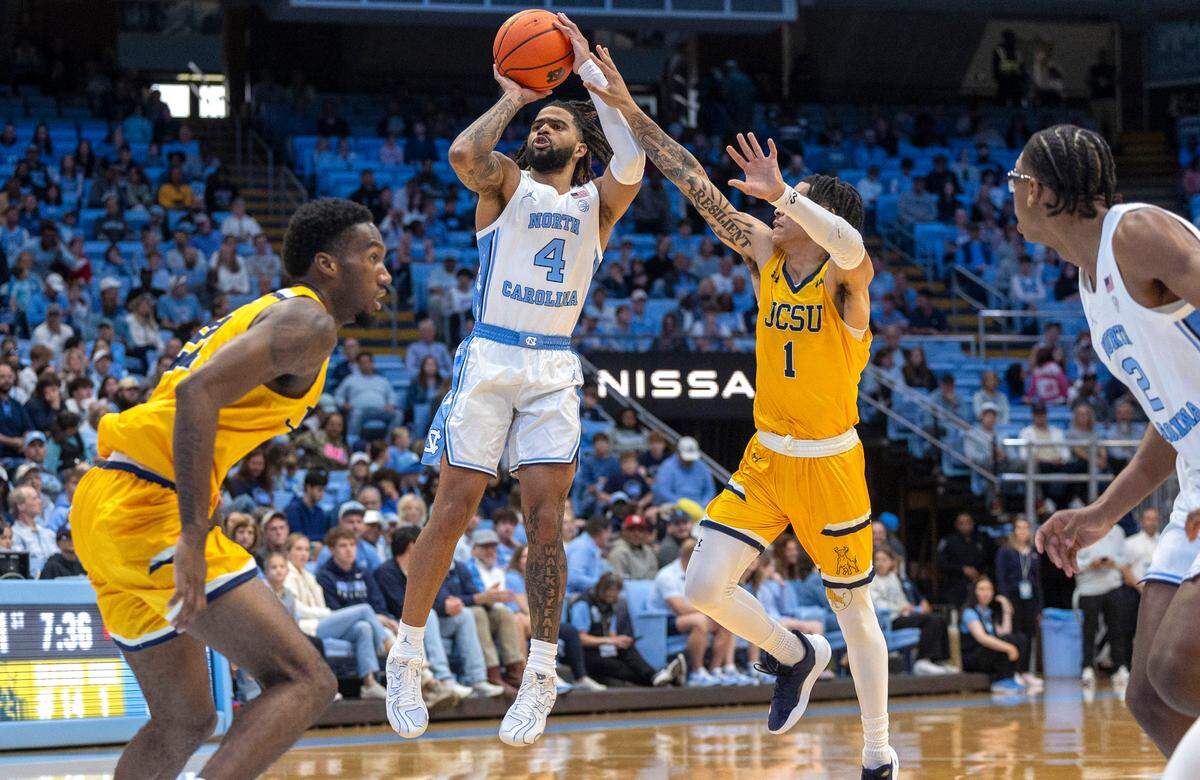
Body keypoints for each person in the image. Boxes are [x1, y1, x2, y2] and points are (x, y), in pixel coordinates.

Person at [585, 48, 896, 775]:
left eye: (795, 203)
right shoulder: (763, 256)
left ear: (817, 218)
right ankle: (795, 655)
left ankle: (878, 751)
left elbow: (852, 245)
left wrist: (789, 192)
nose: (774, 208)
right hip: (766, 459)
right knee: (701, 588)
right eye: (780, 202)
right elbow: (693, 183)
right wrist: (627, 108)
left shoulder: (847, 283)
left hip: (831, 466)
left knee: (856, 610)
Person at [66, 198, 390, 778]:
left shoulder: (274, 315)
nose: (385, 273)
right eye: (373, 257)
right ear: (328, 265)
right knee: (306, 680)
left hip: (104, 499)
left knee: (185, 719)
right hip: (149, 506)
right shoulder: (308, 322)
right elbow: (197, 395)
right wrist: (193, 533)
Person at [393, 17, 644, 746]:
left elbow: (632, 165)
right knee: (454, 506)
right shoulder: (505, 182)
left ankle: (541, 672)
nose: (543, 126)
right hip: (493, 353)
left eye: (555, 120)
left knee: (545, 525)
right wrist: (514, 94)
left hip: (553, 363)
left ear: (580, 144)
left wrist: (597, 86)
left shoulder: (597, 203)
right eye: (539, 120)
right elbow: (466, 152)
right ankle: (405, 657)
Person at [1015, 126, 1200, 774]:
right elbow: (1171, 421)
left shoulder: (1137, 234)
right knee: (1149, 695)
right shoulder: (1090, 283)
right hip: (1193, 471)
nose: (1012, 196)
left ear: (1035, 190)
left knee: (1179, 668)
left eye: (1015, 182)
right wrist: (1099, 514)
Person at [280, 534, 391, 701]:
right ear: (287, 552)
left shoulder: (308, 575)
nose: (303, 554)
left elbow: (320, 605)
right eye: (298, 549)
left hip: (321, 621)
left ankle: (369, 683)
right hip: (308, 627)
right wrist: (328, 613)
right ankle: (389, 646)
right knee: (365, 609)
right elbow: (298, 609)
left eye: (306, 549)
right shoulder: (288, 575)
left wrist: (326, 613)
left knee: (363, 628)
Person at [569, 571, 684, 687]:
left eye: (615, 592)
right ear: (600, 589)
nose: (612, 595)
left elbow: (611, 634)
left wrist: (619, 640)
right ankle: (662, 678)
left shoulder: (610, 606)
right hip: (586, 654)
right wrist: (611, 641)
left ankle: (659, 677)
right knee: (621, 668)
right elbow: (580, 638)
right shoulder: (583, 604)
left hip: (604, 649)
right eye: (609, 591)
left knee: (626, 647)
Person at [654, 539, 740, 686]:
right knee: (699, 621)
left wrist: (714, 610)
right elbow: (680, 609)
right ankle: (696, 672)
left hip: (693, 615)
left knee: (725, 620)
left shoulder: (700, 573)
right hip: (662, 621)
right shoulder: (666, 575)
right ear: (691, 557)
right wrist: (710, 609)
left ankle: (715, 670)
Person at [868, 547, 954, 676]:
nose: (880, 563)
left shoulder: (893, 578)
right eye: (877, 560)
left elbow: (901, 599)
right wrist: (901, 608)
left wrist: (907, 606)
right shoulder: (871, 581)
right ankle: (922, 660)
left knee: (939, 619)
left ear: (891, 562)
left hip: (904, 615)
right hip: (889, 620)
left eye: (884, 560)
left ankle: (940, 660)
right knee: (931, 621)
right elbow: (877, 605)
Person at [1075, 524, 1136, 690]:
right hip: (1088, 589)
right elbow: (1073, 562)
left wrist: (1113, 562)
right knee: (1089, 630)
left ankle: (1120, 667)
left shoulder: (1118, 531)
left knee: (1117, 629)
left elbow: (1124, 560)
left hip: (1113, 586)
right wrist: (1090, 563)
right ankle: (1087, 668)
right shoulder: (1080, 530)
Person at [959, 576, 1031, 694]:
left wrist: (1006, 611)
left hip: (986, 653)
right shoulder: (969, 612)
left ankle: (1010, 677)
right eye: (981, 589)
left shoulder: (989, 613)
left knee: (1019, 638)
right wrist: (1009, 648)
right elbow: (982, 638)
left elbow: (1005, 634)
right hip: (973, 657)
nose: (986, 593)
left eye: (989, 589)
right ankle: (1001, 681)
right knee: (1006, 644)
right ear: (974, 591)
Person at [994, 516, 1042, 663]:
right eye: (1019, 528)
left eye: (1025, 528)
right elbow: (1001, 576)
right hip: (1013, 595)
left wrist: (1040, 606)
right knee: (1015, 632)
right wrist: (1005, 600)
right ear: (1014, 531)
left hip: (1030, 597)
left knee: (1029, 633)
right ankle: (1015, 669)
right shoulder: (1006, 551)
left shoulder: (1033, 552)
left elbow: (1038, 580)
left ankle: (1026, 670)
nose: (1022, 531)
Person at [937, 513, 991, 607]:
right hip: (955, 584)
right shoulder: (948, 541)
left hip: (977, 584)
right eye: (962, 523)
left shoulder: (980, 540)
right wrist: (962, 569)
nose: (965, 526)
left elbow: (988, 560)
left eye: (968, 523)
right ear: (956, 525)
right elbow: (941, 563)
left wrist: (982, 575)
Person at [652, 436, 715, 506]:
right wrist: (682, 503)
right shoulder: (667, 466)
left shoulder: (702, 467)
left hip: (699, 506)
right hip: (674, 505)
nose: (689, 461)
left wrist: (702, 504)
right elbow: (663, 491)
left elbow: (710, 491)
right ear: (678, 453)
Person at [11, 486, 55, 576]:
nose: (39, 501)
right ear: (20, 505)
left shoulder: (48, 533)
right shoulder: (13, 534)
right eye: (34, 499)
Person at [606, 513, 659, 581]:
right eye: (631, 530)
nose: (636, 534)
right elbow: (619, 584)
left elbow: (654, 577)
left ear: (645, 533)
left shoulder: (649, 551)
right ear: (623, 532)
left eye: (640, 530)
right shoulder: (618, 552)